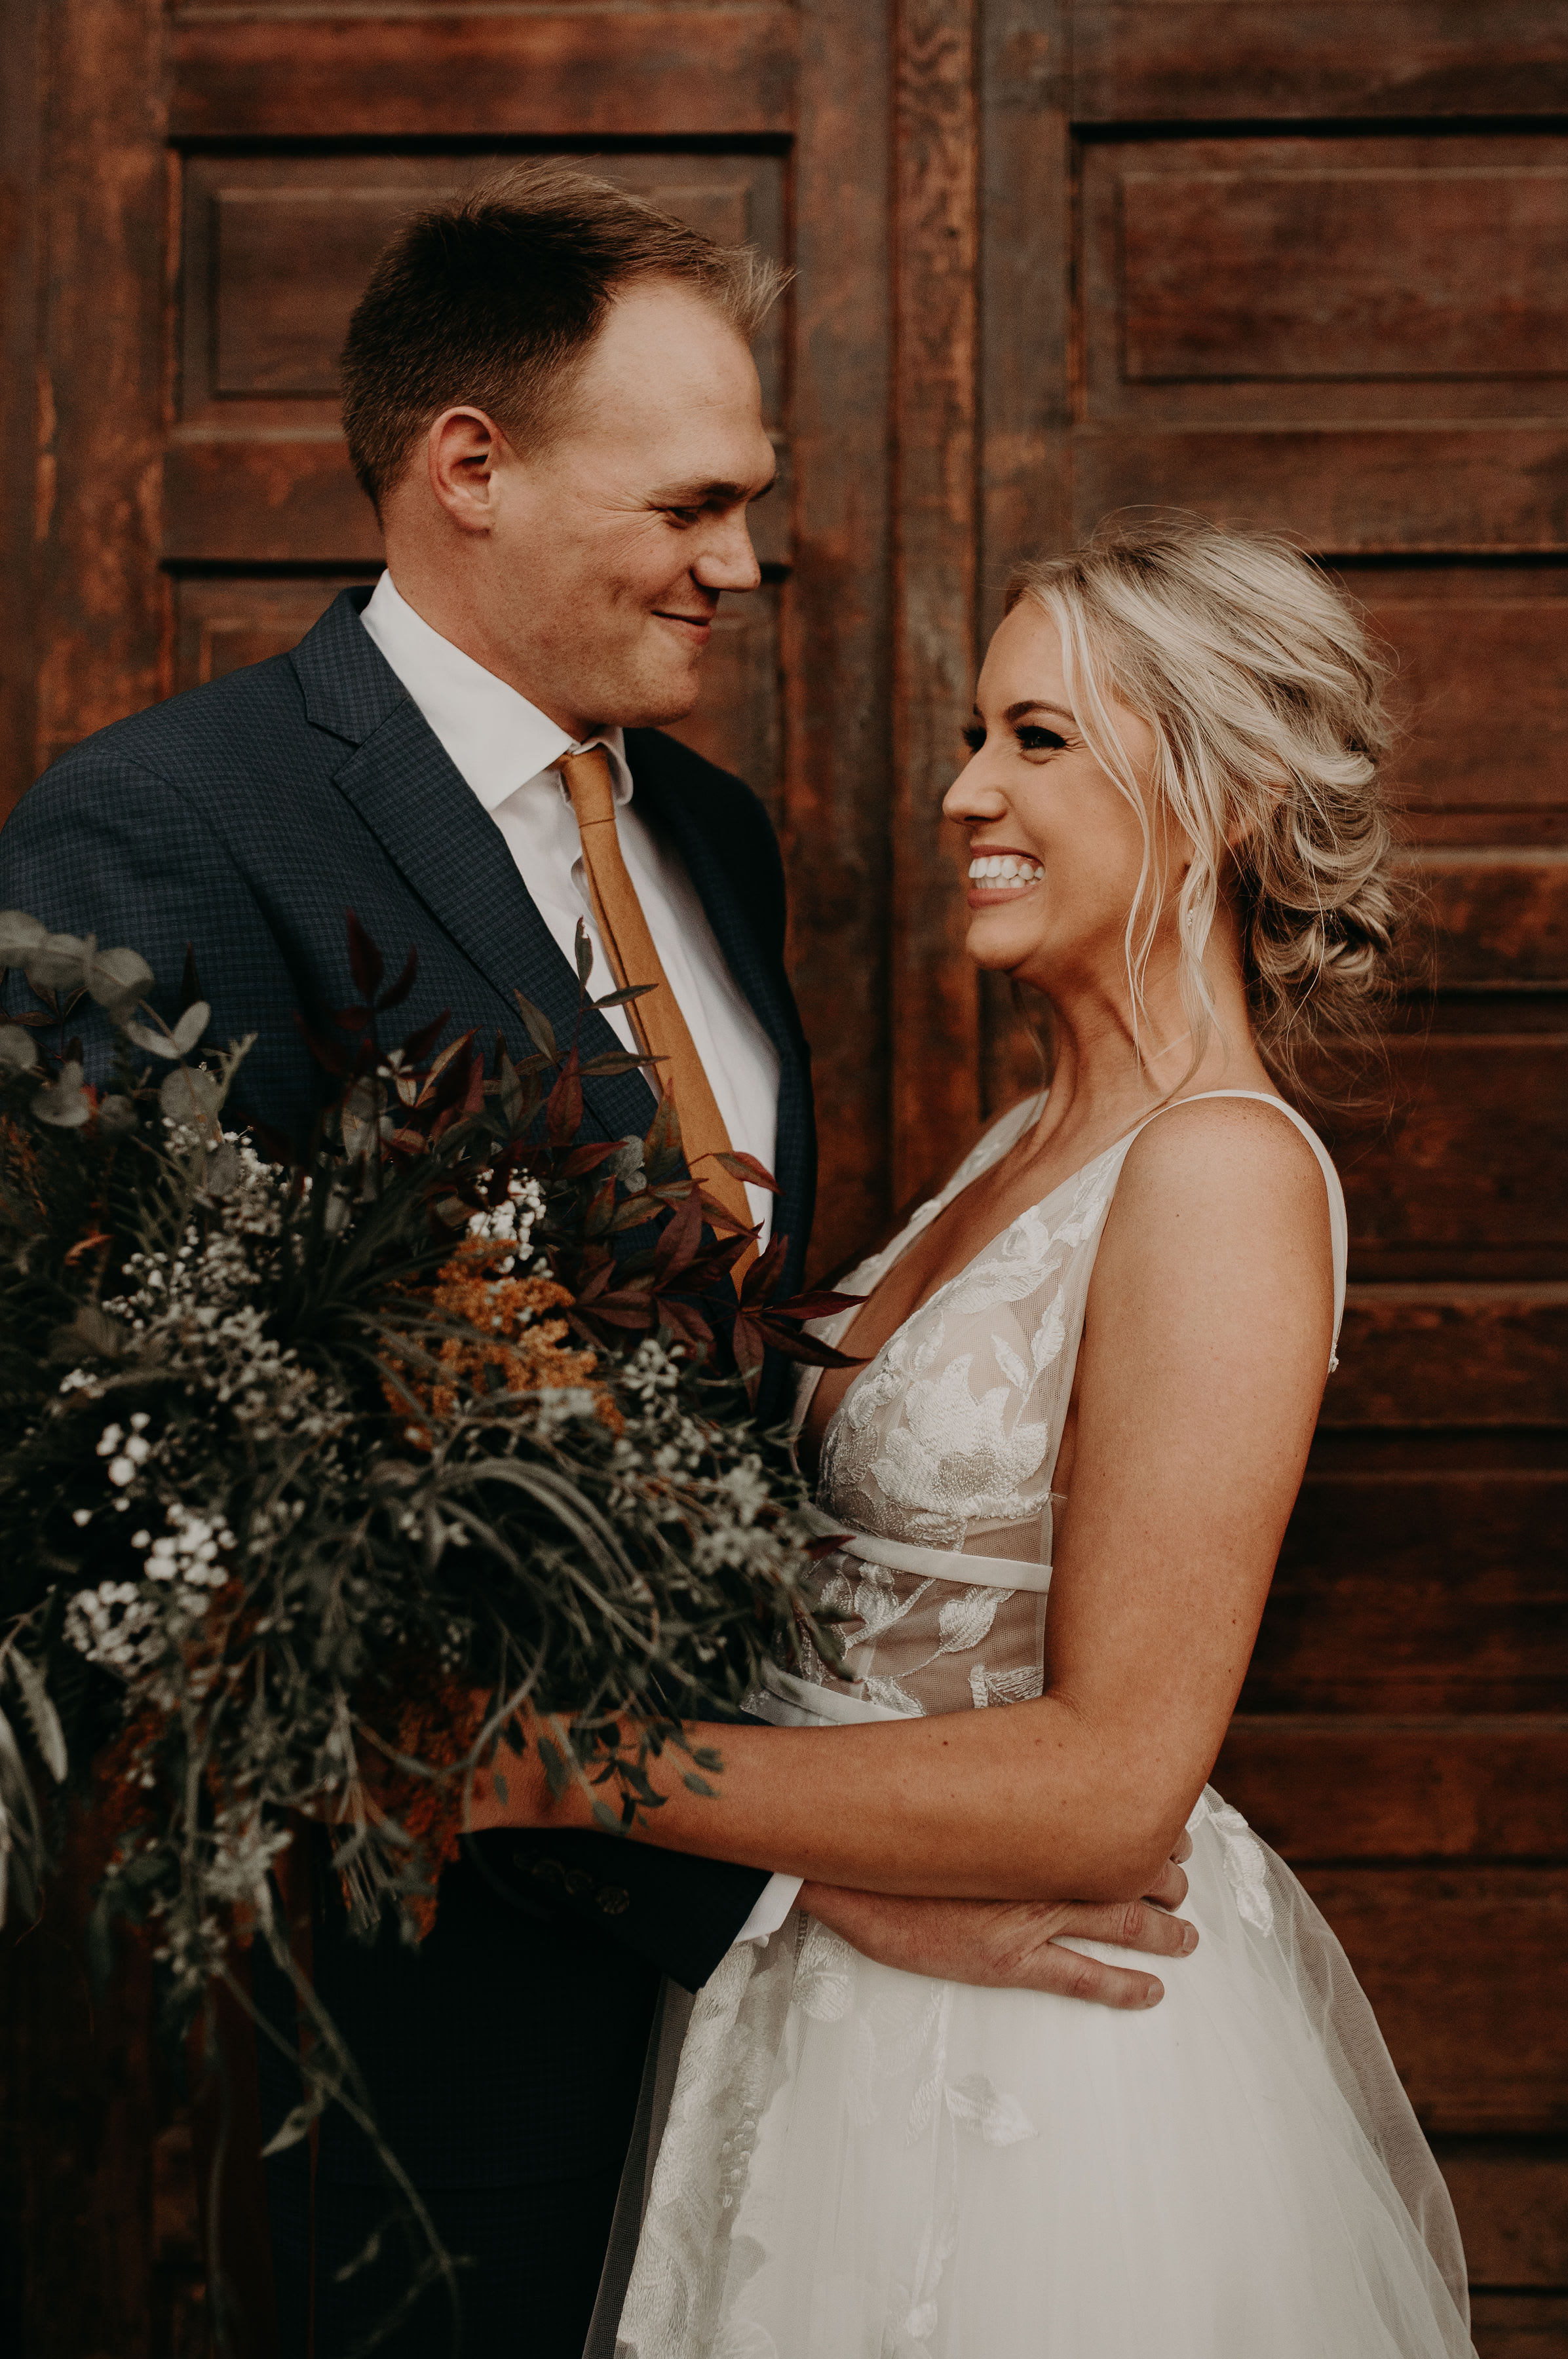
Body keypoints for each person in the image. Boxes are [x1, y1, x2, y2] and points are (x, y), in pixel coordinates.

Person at [0, 168, 1193, 2356]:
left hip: (823, 2007)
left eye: (747, 506)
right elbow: (130, 1517)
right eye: (692, 504)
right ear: (471, 466)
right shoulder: (167, 832)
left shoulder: (707, 834)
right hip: (443, 2007)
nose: (742, 562)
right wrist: (753, 1879)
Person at [480, 519, 1478, 2357]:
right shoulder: (1024, 1142)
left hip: (1020, 2072)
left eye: (1038, 739)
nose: (962, 793)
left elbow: (1112, 1783)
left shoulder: (1219, 1173)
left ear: (1227, 798)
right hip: (827, 1981)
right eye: (972, 735)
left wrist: (569, 1771)